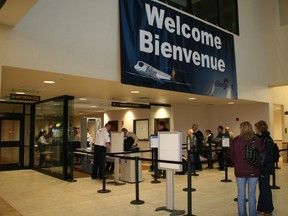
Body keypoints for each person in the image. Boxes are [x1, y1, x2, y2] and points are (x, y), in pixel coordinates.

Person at [230, 121, 264, 216]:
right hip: (253, 170)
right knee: (252, 194)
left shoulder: (236, 140)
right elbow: (262, 153)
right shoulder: (256, 139)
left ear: (241, 128)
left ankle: (242, 214)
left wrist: (237, 163)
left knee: (241, 194)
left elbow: (231, 155)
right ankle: (253, 214)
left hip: (239, 171)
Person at [254, 120, 274, 216]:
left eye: (256, 128)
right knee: (262, 188)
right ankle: (261, 207)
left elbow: (270, 157)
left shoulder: (268, 140)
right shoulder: (261, 138)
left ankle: (268, 210)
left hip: (264, 169)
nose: (255, 130)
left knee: (265, 189)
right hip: (261, 168)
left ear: (259, 129)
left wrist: (264, 170)